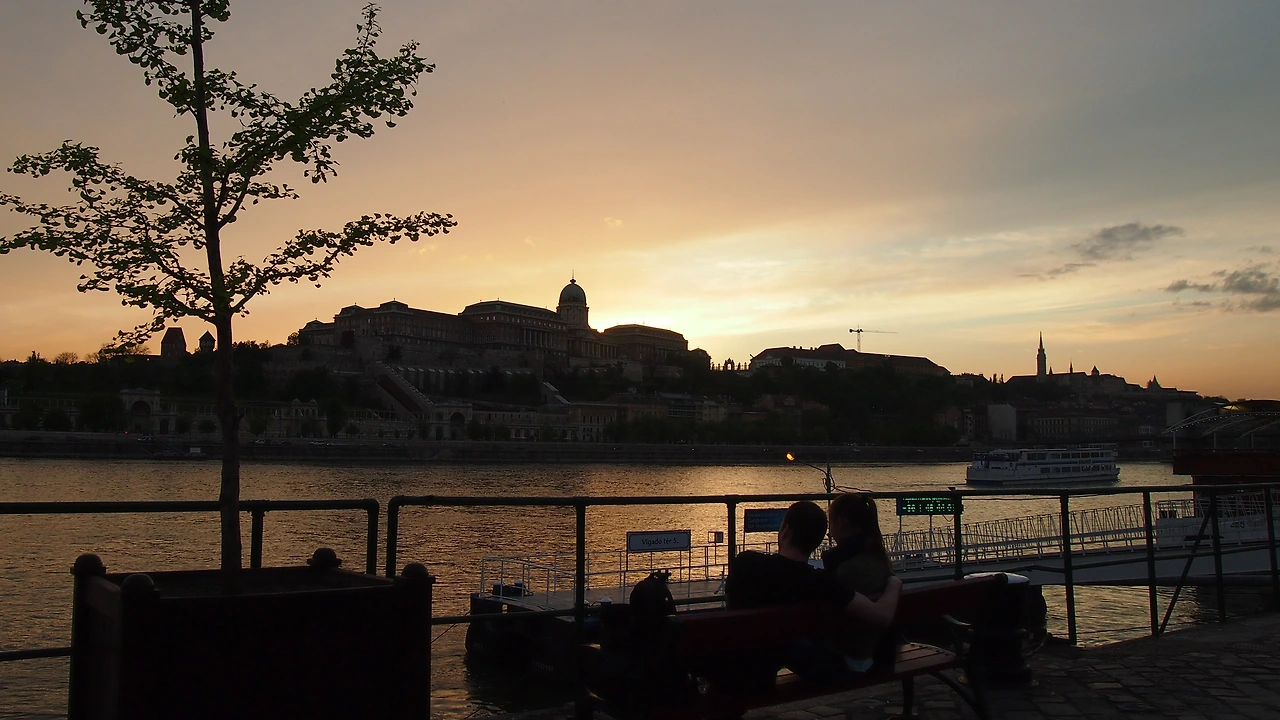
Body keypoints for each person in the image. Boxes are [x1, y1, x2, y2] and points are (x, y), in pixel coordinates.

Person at [718, 501, 901, 688]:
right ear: (816, 542)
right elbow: (882, 616)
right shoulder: (821, 583)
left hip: (726, 667)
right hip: (766, 673)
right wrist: (894, 583)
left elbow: (731, 603)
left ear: (785, 531)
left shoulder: (744, 563)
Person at [821, 492, 895, 672]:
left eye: (831, 523)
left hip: (848, 659)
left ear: (840, 522)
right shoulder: (881, 561)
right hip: (882, 655)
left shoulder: (842, 568)